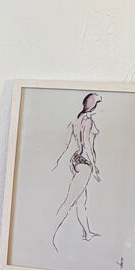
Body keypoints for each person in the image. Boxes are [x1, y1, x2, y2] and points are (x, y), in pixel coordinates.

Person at [51, 92, 102, 250]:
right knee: (69, 201)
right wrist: (94, 167)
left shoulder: (75, 120)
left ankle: (87, 233)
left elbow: (65, 144)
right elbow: (87, 144)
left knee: (81, 201)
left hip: (75, 160)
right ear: (93, 105)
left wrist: (57, 162)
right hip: (85, 163)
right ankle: (49, 235)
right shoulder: (88, 120)